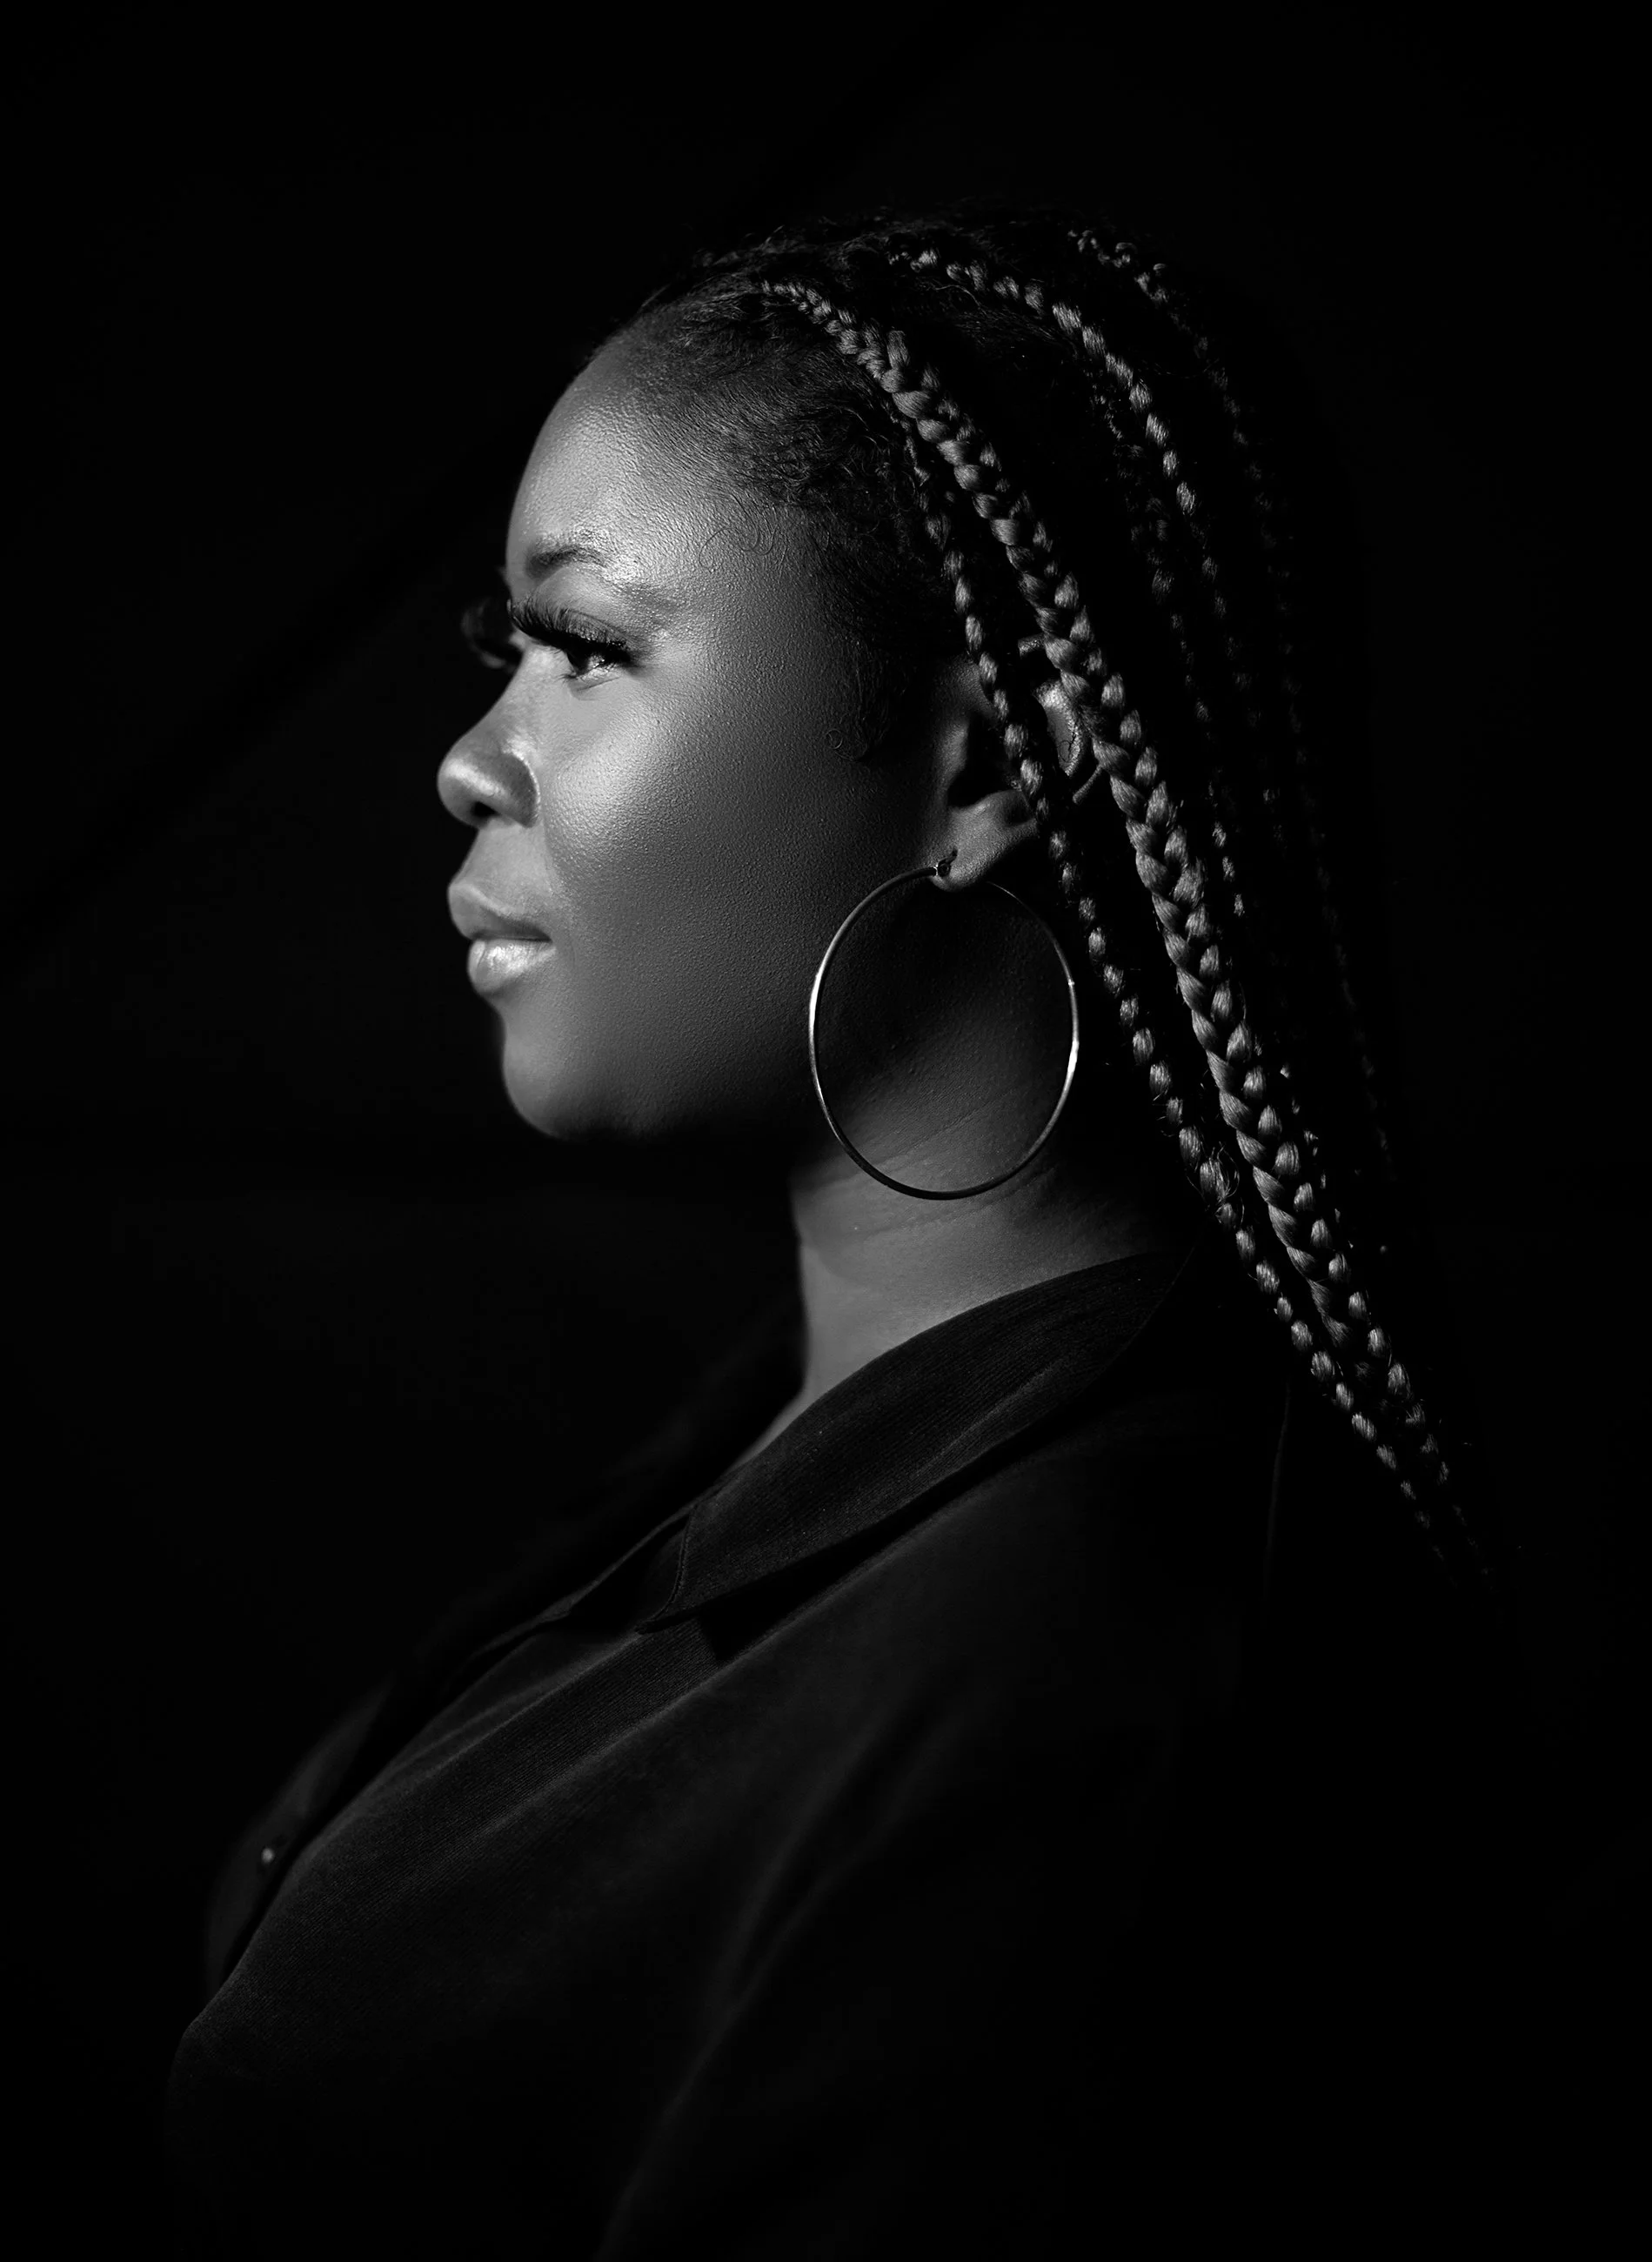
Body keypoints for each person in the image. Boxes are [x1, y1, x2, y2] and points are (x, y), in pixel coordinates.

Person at [165, 209, 1529, 2255]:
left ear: (984, 762)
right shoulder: (804, 1457)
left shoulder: (1061, 1678)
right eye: (505, 656)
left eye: (591, 647)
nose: (472, 760)